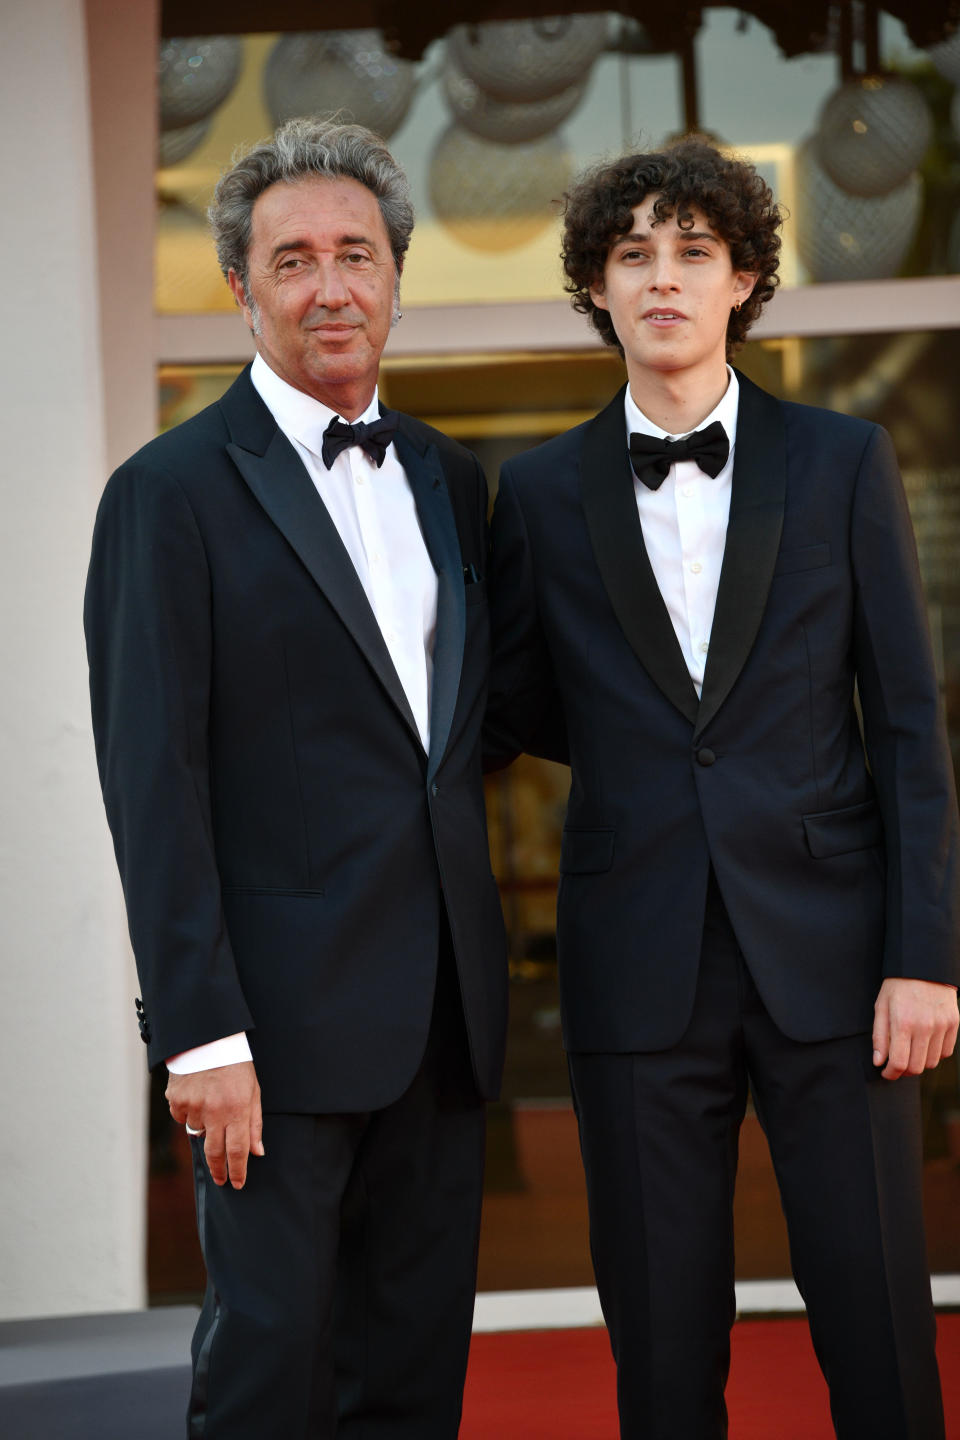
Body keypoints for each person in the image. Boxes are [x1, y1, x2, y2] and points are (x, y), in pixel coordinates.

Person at [485, 137, 960, 1439]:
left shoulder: (842, 460)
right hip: (636, 965)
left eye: (693, 251)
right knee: (661, 1340)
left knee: (878, 1329)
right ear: (597, 286)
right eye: (632, 255)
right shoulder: (531, 494)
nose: (664, 279)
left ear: (744, 275)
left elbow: (909, 724)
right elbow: (522, 711)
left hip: (840, 960)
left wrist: (928, 957)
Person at [85, 117, 507, 1440]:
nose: (331, 286)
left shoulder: (447, 476)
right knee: (269, 1377)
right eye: (294, 260)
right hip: (267, 1038)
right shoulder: (170, 494)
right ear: (240, 287)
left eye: (357, 254)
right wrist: (200, 1031)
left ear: (395, 275)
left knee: (413, 1375)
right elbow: (153, 779)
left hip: (443, 1023)